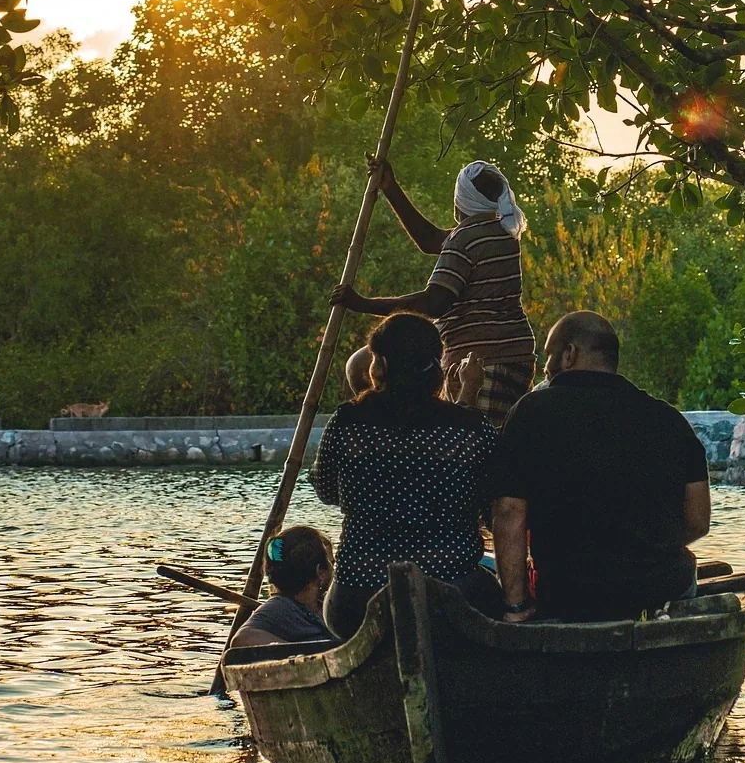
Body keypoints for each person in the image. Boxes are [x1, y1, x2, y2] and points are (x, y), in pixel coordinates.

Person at [490, 310, 710, 624]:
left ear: (569, 354)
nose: (545, 369)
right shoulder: (670, 420)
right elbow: (699, 522)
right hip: (659, 589)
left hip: (568, 594)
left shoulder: (530, 413)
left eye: (549, 356)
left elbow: (509, 511)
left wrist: (515, 607)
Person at [311, 310, 500, 638]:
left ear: (381, 365)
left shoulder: (347, 421)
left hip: (359, 594)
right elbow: (493, 504)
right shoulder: (473, 429)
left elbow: (327, 490)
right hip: (457, 588)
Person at [332, 159, 536, 427]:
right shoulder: (501, 233)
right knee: (495, 437)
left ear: (460, 201)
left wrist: (362, 304)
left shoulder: (466, 239)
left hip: (482, 361)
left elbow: (434, 302)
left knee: (474, 441)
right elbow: (430, 239)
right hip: (515, 355)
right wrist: (391, 188)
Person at [230, 525, 337, 649]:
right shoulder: (281, 606)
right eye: (331, 563)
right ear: (320, 572)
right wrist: (305, 655)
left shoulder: (322, 604)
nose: (333, 569)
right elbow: (243, 639)